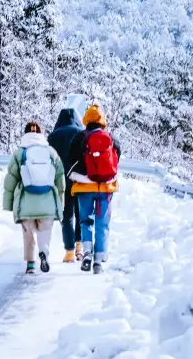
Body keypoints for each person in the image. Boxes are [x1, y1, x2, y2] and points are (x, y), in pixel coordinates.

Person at [3, 120, 65, 275]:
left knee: (28, 233)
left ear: (25, 134)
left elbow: (11, 180)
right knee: (45, 230)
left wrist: (8, 204)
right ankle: (44, 251)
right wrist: (60, 201)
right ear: (41, 134)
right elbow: (60, 179)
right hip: (47, 202)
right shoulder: (51, 152)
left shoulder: (19, 153)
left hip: (26, 202)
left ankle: (30, 264)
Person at [68, 104, 121, 274]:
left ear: (86, 119)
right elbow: (116, 160)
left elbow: (70, 160)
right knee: (102, 223)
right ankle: (99, 259)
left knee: (85, 221)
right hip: (105, 188)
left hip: (84, 187)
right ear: (102, 120)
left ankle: (87, 253)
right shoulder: (111, 138)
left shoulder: (78, 138)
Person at [48, 106, 84, 262]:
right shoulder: (81, 134)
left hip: (61, 181)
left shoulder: (52, 137)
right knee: (81, 214)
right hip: (79, 180)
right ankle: (79, 248)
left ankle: (69, 252)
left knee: (67, 216)